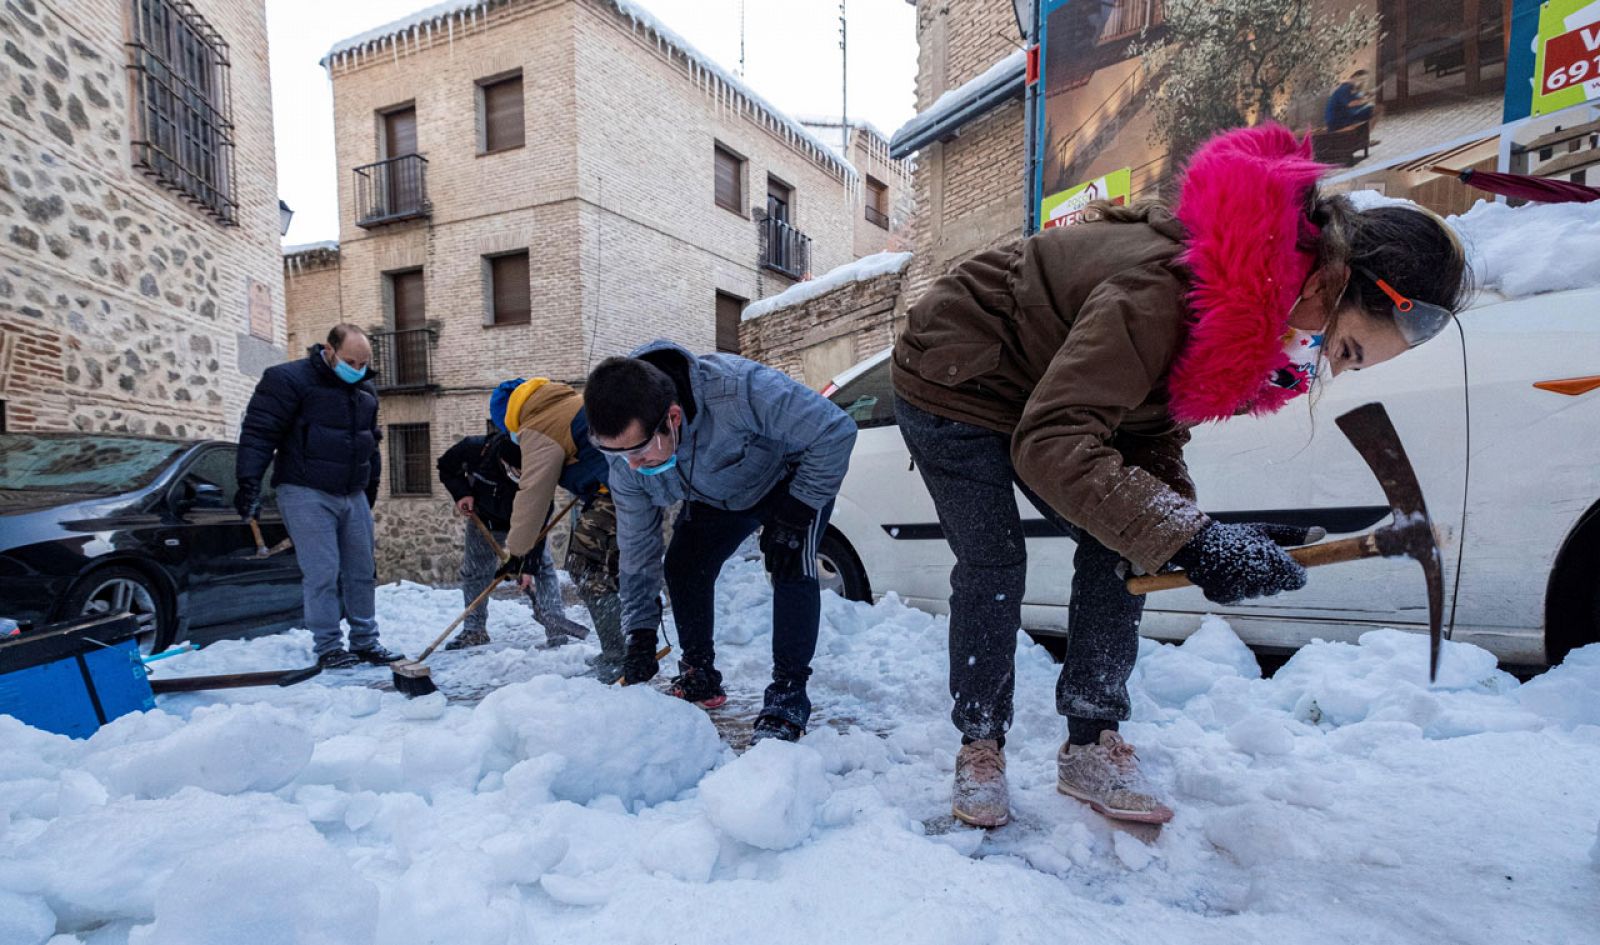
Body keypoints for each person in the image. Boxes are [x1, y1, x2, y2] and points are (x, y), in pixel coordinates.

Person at [892, 124, 1469, 827]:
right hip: (954, 373)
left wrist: (1192, 534)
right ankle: (979, 741)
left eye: (1348, 363)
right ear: (1329, 280)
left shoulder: (1248, 308)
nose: (1327, 365)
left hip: (1045, 384)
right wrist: (1192, 539)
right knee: (993, 559)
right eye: (1343, 346)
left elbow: (1144, 426)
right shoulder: (1165, 290)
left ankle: (1089, 740)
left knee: (1125, 541)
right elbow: (1052, 440)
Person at [584, 341, 856, 743]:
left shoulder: (740, 389)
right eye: (618, 455)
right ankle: (699, 675)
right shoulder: (626, 454)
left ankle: (788, 694)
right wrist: (640, 631)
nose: (632, 466)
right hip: (715, 494)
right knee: (683, 565)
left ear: (672, 418)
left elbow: (835, 430)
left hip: (791, 481)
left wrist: (797, 513)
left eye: (640, 451)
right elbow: (638, 547)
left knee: (790, 562)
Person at [235, 324, 404, 669]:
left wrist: (368, 490)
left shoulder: (365, 389)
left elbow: (369, 443)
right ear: (329, 350)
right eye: (351, 361)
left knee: (362, 569)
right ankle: (329, 645)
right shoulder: (287, 380)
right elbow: (259, 432)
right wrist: (249, 482)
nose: (357, 370)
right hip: (304, 488)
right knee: (323, 571)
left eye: (363, 364)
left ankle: (365, 641)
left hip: (351, 491)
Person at [489, 377, 626, 680]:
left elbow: (533, 495)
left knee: (586, 566)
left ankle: (620, 656)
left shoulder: (536, 426)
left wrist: (516, 553)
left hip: (618, 493)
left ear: (508, 419)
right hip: (623, 487)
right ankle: (627, 648)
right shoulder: (564, 405)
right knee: (613, 569)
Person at [435, 427, 591, 653]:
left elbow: (541, 519)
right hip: (485, 518)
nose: (521, 474)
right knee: (475, 572)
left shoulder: (538, 469)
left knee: (542, 567)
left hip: (526, 522)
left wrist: (527, 564)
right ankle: (474, 630)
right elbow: (446, 467)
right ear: (502, 461)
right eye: (516, 470)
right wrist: (461, 494)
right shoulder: (474, 449)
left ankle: (555, 626)